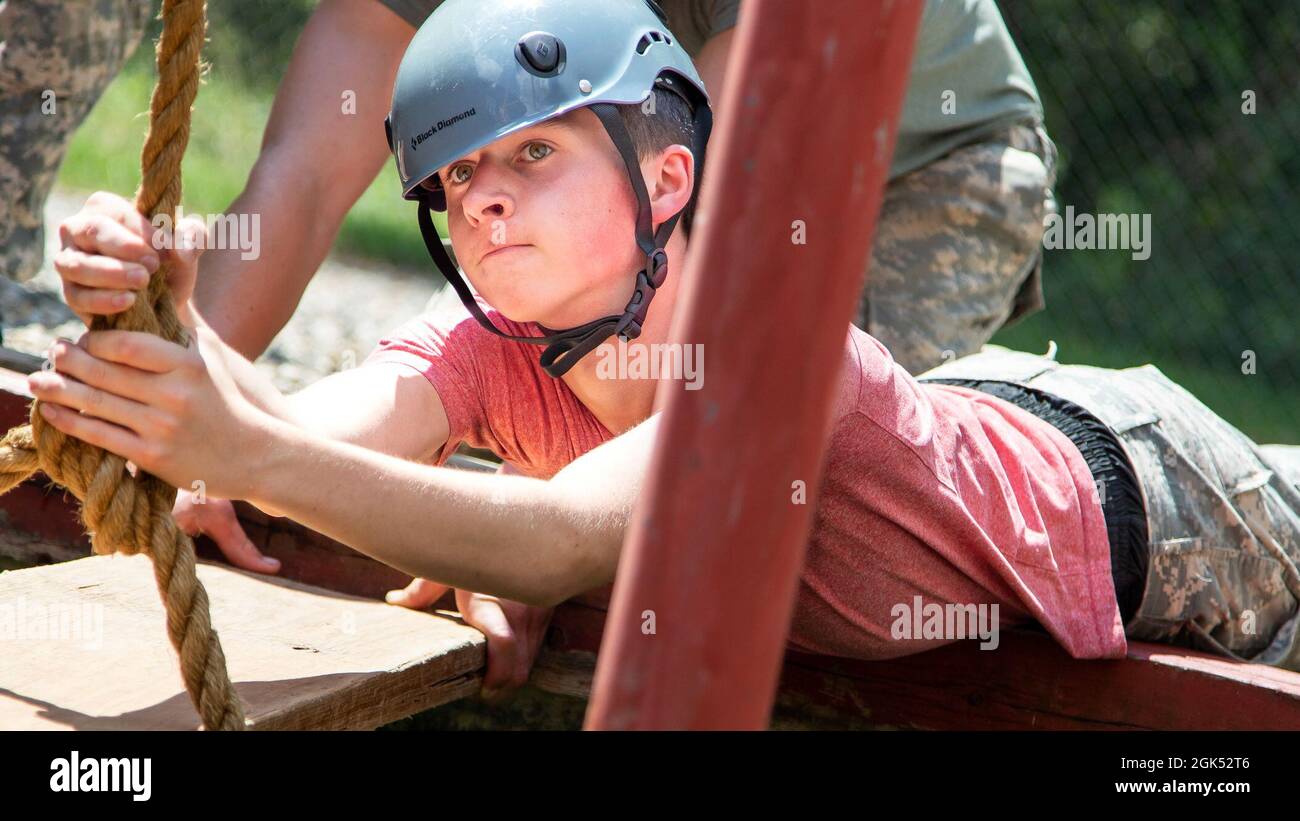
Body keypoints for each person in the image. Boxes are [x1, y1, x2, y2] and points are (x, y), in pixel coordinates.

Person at [35, 0, 1300, 701]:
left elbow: (561, 538)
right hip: (977, 419)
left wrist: (235, 439)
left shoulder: (758, 340)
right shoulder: (487, 338)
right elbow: (305, 441)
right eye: (462, 173)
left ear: (667, 175)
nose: (486, 195)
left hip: (1152, 491)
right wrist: (173, 308)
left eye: (535, 153)